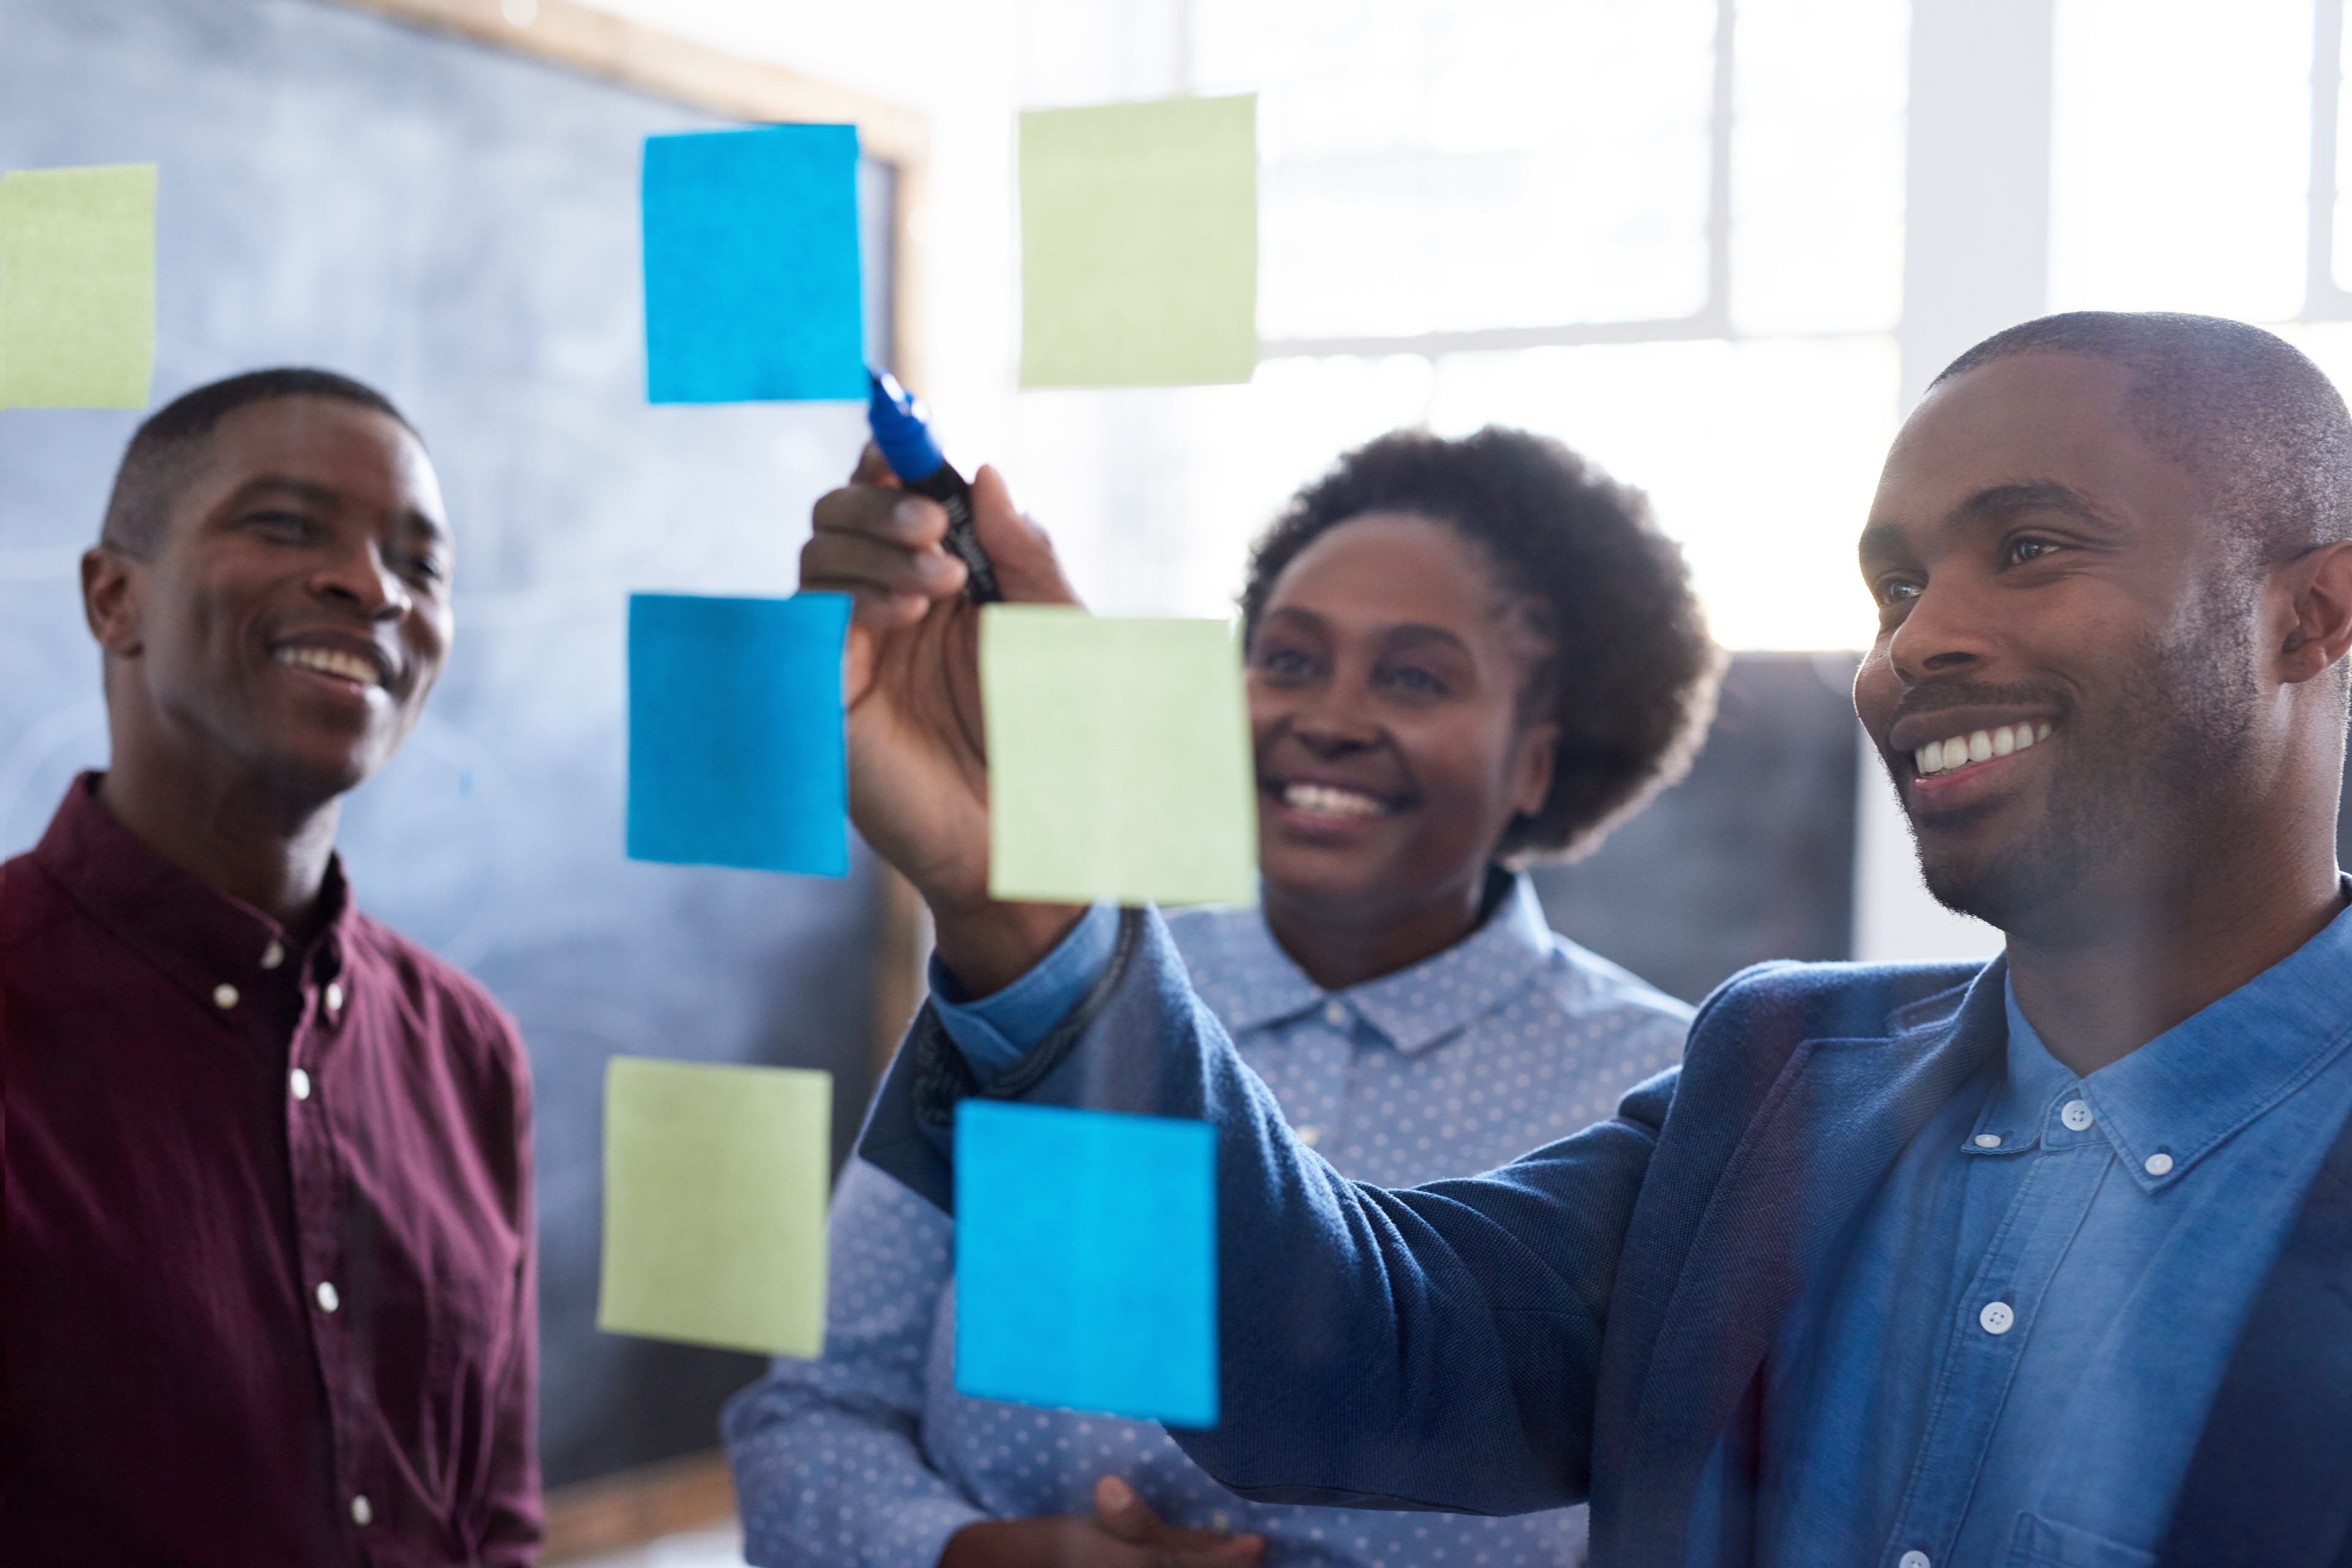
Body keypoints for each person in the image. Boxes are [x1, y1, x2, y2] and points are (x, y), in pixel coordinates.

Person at [807, 312, 2352, 1566]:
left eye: (2029, 548)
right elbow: (1342, 1350)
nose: (1914, 643)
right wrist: (1029, 899)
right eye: (1896, 582)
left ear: (2314, 616)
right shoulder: (1780, 1076)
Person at [726, 428, 1724, 1567]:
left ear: (1538, 762)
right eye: (1290, 661)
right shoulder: (1041, 1002)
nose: (1331, 717)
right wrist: (968, 1556)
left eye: (1414, 677)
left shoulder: (1667, 1097)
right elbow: (804, 1417)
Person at [0, 370, 539, 1565]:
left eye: (422, 562)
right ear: (113, 597)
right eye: (287, 524)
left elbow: (495, 1516)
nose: (373, 585)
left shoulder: (469, 1052)